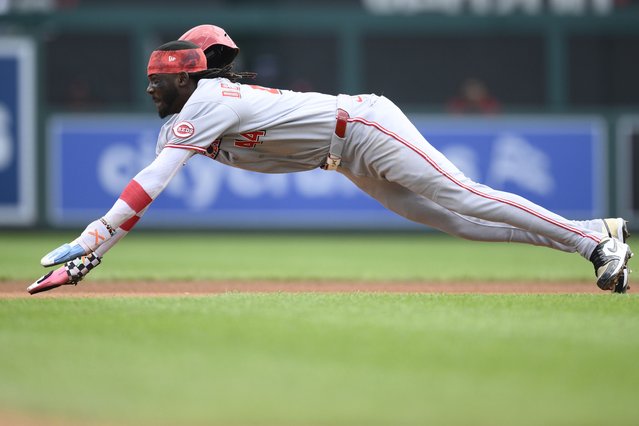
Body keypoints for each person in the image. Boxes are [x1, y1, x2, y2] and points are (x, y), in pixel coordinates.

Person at [28, 38, 633, 296]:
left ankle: (592, 247)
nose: (155, 86)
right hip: (343, 156)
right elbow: (159, 169)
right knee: (458, 221)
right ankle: (598, 233)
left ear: (192, 74)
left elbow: (152, 182)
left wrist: (93, 242)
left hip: (365, 125)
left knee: (464, 196)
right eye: (153, 80)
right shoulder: (196, 113)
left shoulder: (208, 99)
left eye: (163, 79)